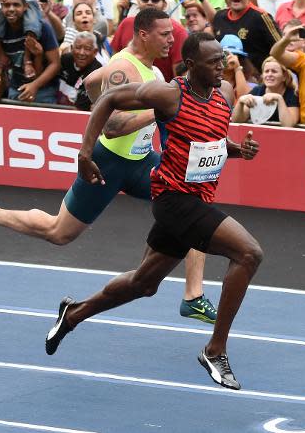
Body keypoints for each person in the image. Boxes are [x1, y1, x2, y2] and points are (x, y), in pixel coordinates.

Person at [0, 9, 220, 327]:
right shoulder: (123, 67)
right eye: (165, 34)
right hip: (108, 163)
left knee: (193, 202)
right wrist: (161, 111)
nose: (171, 39)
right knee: (59, 233)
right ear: (143, 34)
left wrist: (92, 90)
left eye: (172, 34)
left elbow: (96, 80)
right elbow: (112, 127)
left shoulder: (150, 72)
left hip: (140, 162)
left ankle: (193, 296)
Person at [44, 31, 262, 391]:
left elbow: (212, 142)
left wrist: (240, 150)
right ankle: (215, 349)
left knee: (143, 284)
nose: (221, 67)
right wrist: (85, 152)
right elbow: (109, 99)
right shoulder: (170, 94)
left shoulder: (222, 98)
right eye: (213, 62)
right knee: (249, 253)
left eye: (223, 60)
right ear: (191, 66)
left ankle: (73, 314)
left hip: (197, 198)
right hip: (175, 200)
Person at [0, 0, 60, 103]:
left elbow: (55, 64)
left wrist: (35, 85)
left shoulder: (42, 27)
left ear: (25, 7)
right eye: (6, 5)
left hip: (44, 91)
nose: (11, 9)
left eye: (16, 5)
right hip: (16, 88)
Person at [111, 0, 188, 81]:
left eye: (155, 0)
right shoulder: (126, 24)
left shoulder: (178, 32)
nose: (149, 2)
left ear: (164, 5)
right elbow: (112, 58)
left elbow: (180, 77)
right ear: (138, 1)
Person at [213, 0, 281, 76]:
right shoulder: (219, 17)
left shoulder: (261, 17)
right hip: (225, 79)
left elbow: (280, 48)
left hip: (258, 80)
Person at [232, 56, 299, 126]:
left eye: (274, 71)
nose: (269, 75)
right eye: (266, 71)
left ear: (284, 77)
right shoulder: (257, 91)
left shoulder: (292, 94)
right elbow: (236, 120)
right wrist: (240, 102)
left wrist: (279, 99)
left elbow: (289, 124)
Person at [58, 31, 102, 109]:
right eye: (78, 48)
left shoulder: (97, 72)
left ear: (95, 52)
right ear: (71, 48)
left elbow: (79, 108)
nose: (81, 53)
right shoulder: (64, 60)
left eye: (87, 49)